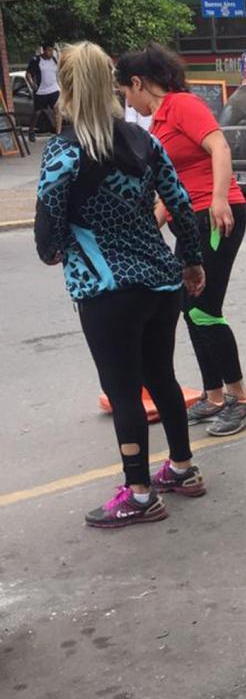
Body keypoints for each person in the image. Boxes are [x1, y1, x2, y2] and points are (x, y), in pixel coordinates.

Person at [34, 42, 207, 527]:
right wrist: (190, 262)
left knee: (124, 389)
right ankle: (183, 468)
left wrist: (55, 251)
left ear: (66, 89)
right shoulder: (143, 141)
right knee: (162, 377)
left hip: (106, 290)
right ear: (110, 84)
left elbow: (47, 229)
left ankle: (138, 494)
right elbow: (178, 199)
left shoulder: (63, 152)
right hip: (158, 281)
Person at [115, 44, 246, 436]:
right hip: (191, 219)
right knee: (188, 307)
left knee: (204, 308)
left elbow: (220, 146)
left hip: (217, 215)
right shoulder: (159, 123)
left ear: (138, 83)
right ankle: (213, 396)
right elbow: (169, 191)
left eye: (126, 93)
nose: (127, 102)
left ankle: (242, 397)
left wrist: (217, 198)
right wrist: (143, 231)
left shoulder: (181, 105)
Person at [26, 42, 60, 141]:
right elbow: (28, 74)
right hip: (41, 91)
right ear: (44, 50)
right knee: (37, 113)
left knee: (57, 110)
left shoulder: (54, 60)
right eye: (49, 50)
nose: (51, 53)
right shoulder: (36, 60)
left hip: (54, 89)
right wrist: (32, 84)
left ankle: (58, 133)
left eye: (52, 50)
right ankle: (31, 131)